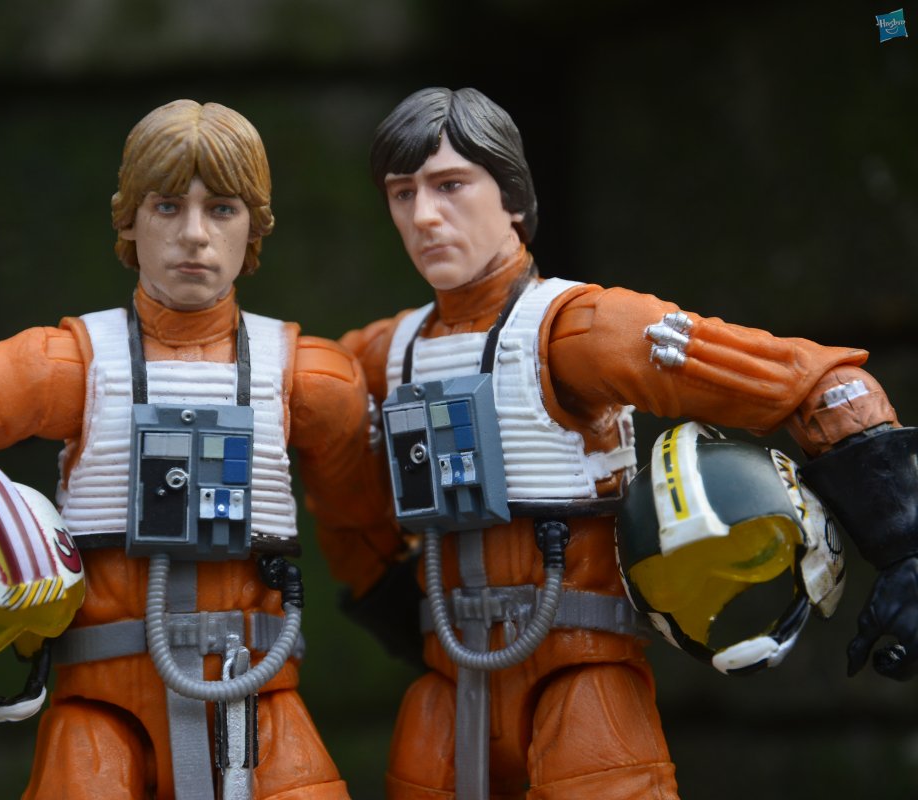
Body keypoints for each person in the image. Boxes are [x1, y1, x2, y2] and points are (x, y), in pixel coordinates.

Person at [0, 99, 388, 800]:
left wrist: (413, 603)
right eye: (167, 206)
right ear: (128, 219)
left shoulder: (314, 382)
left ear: (255, 226)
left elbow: (361, 529)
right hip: (99, 711)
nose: (194, 235)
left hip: (258, 701)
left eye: (221, 208)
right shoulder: (65, 367)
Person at [323, 86, 918, 800]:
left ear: (509, 195)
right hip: (448, 676)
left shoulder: (580, 331)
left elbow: (813, 382)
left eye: (450, 185)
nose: (424, 215)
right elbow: (302, 426)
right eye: (402, 193)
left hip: (579, 666)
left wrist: (902, 542)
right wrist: (378, 582)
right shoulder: (386, 354)